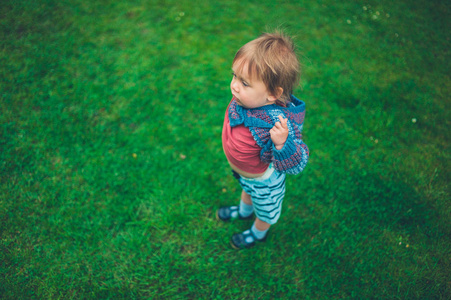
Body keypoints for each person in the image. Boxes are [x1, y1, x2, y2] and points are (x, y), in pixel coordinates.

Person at [217, 31, 309, 249]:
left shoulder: (278, 123)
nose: (235, 86)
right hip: (245, 173)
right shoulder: (245, 100)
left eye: (245, 83)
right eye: (234, 76)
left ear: (272, 94)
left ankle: (258, 233)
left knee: (266, 210)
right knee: (247, 191)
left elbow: (299, 163)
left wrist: (282, 144)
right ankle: (243, 211)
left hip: (264, 181)